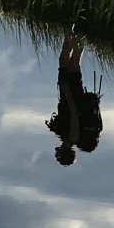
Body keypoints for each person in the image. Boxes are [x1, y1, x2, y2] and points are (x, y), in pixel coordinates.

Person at [46, 32, 102, 165]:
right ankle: (78, 33)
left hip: (70, 97)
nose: (57, 152)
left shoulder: (67, 137)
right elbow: (74, 115)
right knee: (69, 64)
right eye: (59, 154)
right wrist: (67, 93)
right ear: (63, 152)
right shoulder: (72, 137)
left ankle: (75, 34)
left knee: (68, 64)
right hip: (72, 97)